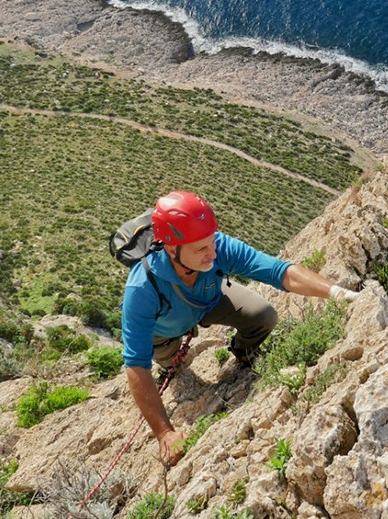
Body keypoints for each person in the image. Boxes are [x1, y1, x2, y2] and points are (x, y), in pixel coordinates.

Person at [120, 191, 359, 466]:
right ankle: (169, 359)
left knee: (263, 315)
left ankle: (244, 353)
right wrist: (164, 432)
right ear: (171, 249)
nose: (212, 253)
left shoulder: (216, 248)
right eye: (200, 248)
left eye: (211, 242)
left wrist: (337, 292)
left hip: (208, 302)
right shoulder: (142, 287)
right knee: (175, 363)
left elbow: (279, 271)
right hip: (164, 331)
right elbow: (136, 366)